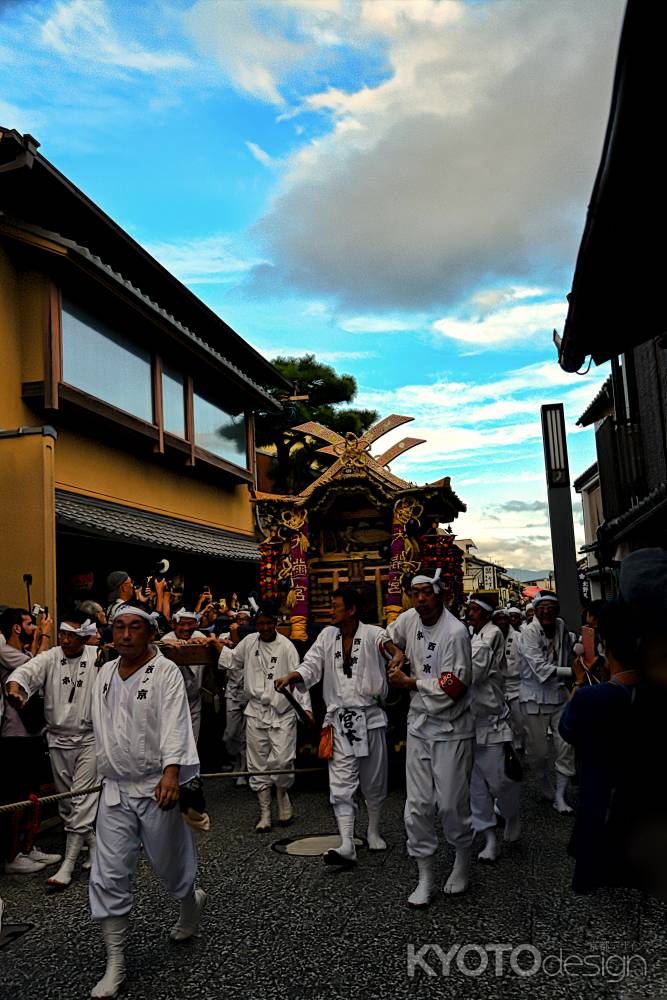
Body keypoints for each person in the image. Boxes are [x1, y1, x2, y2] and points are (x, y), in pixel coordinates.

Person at [88, 605, 205, 1000]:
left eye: (134, 628)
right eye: (118, 627)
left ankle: (189, 902)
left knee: (171, 865)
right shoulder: (104, 673)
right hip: (115, 790)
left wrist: (172, 772)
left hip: (157, 787)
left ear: (149, 633)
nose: (124, 635)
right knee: (108, 873)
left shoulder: (165, 671)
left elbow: (176, 720)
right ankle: (116, 961)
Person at [276, 588, 397, 865]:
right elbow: (312, 664)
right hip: (340, 720)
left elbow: (386, 646)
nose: (332, 611)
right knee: (341, 784)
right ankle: (346, 844)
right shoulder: (327, 636)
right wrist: (293, 675)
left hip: (370, 718)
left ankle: (374, 829)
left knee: (373, 780)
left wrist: (395, 653)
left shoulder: (373, 633)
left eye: (336, 606)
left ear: (352, 610)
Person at [385, 570, 475, 907]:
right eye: (414, 593)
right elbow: (385, 636)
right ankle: (425, 875)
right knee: (418, 805)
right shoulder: (409, 619)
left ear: (441, 594)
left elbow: (455, 686)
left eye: (426, 593)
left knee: (451, 804)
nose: (420, 599)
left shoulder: (455, 633)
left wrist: (411, 684)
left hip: (452, 727)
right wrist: (396, 655)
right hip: (420, 724)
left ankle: (462, 860)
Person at [6, 610, 100, 889]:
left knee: (82, 800)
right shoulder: (51, 657)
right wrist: (15, 687)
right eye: (63, 633)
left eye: (73, 635)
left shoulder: (98, 657)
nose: (66, 639)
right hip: (57, 739)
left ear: (84, 636)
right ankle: (95, 848)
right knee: (68, 802)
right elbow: (25, 671)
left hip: (89, 740)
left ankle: (67, 866)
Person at [559, 599, 638, 893]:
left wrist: (580, 681)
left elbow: (567, 730)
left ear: (605, 648)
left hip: (601, 799)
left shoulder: (592, 698)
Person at [231, 604, 312, 830]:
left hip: (282, 709)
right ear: (256, 625)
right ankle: (265, 813)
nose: (265, 627)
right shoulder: (248, 643)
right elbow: (232, 659)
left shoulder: (287, 647)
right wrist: (213, 643)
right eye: (261, 623)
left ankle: (282, 793)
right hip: (256, 710)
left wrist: (305, 708)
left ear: (276, 623)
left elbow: (299, 679)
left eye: (269, 623)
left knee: (283, 760)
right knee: (257, 762)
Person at [0, 608, 61, 875]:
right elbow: (37, 667)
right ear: (15, 627)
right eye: (28, 623)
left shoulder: (20, 652)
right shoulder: (4, 652)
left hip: (32, 731)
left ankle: (27, 848)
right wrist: (45, 633)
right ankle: (12, 855)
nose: (33, 627)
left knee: (32, 794)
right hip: (15, 734)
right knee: (18, 796)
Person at [467, 597, 520, 862]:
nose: (470, 613)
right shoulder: (470, 634)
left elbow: (472, 672)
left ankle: (511, 814)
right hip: (469, 721)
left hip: (492, 718)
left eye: (475, 609)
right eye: (470, 609)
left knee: (499, 780)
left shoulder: (492, 635)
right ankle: (488, 837)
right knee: (476, 784)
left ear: (487, 613)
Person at [517, 590, 575, 813]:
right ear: (535, 611)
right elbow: (540, 669)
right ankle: (544, 784)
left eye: (552, 608)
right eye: (543, 608)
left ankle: (561, 796)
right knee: (538, 752)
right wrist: (574, 672)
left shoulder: (560, 626)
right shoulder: (528, 633)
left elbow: (570, 642)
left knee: (566, 745)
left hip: (559, 696)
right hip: (534, 697)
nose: (547, 612)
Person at [161, 609, 210, 742]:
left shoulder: (199, 636)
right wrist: (166, 646)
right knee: (174, 740)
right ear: (174, 624)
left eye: (190, 624)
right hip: (172, 702)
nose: (186, 628)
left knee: (193, 740)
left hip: (194, 700)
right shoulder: (167, 639)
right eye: (182, 624)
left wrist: (207, 641)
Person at [495, 607, 525, 751]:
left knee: (519, 719)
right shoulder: (491, 638)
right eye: (499, 619)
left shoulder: (518, 636)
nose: (502, 622)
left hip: (517, 684)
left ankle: (519, 741)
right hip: (498, 685)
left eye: (505, 618)